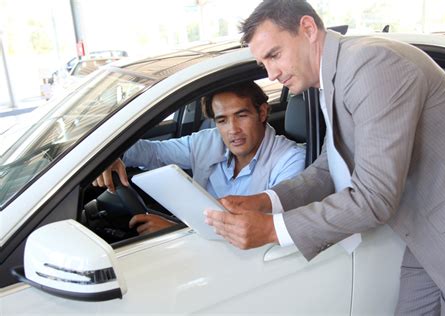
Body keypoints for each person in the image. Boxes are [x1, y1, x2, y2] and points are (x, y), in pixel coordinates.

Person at [204, 1, 445, 314]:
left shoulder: (371, 65)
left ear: (308, 29)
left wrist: (270, 229)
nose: (272, 74)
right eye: (264, 63)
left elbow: (373, 199)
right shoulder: (334, 76)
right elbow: (327, 169)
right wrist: (264, 201)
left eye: (274, 55)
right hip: (425, 236)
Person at [94, 80, 306, 236]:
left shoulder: (290, 160)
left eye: (241, 115)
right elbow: (154, 153)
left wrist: (180, 233)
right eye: (222, 120)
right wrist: (114, 155)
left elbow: (262, 232)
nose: (233, 130)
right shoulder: (208, 141)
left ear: (262, 112)